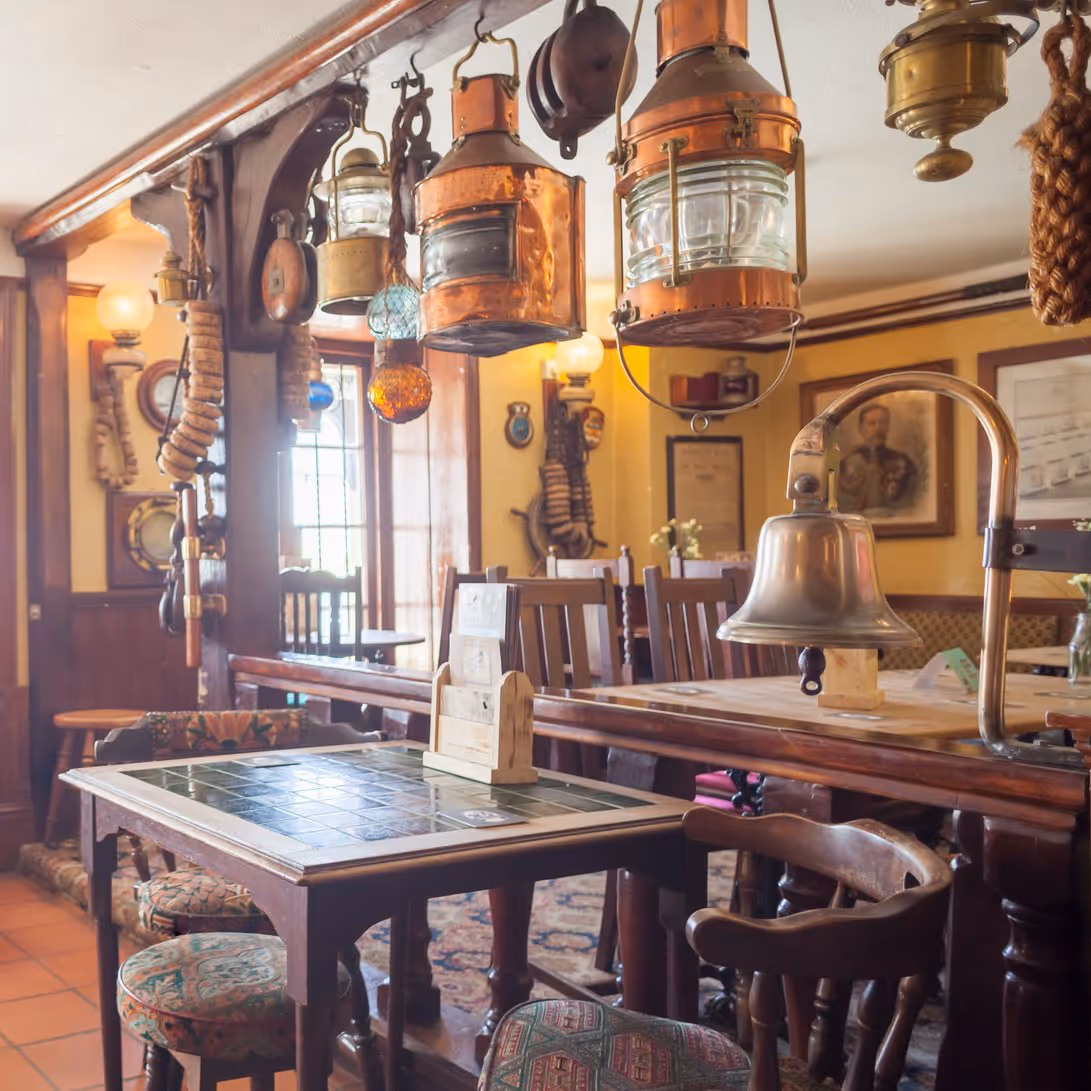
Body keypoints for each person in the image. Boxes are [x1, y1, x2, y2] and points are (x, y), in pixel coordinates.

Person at [838, 402, 918, 514]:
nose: (878, 428)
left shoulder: (904, 462)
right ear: (861, 428)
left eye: (883, 423)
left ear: (888, 427)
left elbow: (912, 499)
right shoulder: (845, 464)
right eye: (871, 423)